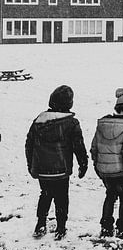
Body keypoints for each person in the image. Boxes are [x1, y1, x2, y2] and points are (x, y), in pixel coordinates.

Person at [25, 85, 88, 240]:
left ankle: (40, 223)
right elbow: (78, 146)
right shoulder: (71, 123)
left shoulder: (38, 121)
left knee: (45, 194)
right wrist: (83, 163)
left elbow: (29, 144)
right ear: (69, 104)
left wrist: (31, 165)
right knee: (62, 197)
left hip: (42, 169)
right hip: (61, 170)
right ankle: (61, 227)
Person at [91, 88, 123, 239]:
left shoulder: (103, 123)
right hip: (122, 172)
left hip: (105, 171)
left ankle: (106, 228)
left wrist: (97, 167)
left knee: (110, 196)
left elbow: (94, 148)